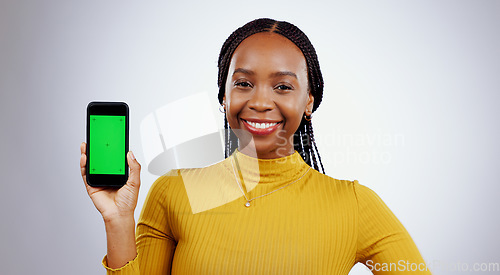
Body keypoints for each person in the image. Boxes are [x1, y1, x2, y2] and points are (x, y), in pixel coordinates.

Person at [80, 18, 431, 274]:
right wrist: (118, 220)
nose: (261, 102)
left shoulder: (353, 205)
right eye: (244, 83)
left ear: (309, 100)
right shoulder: (173, 192)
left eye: (282, 87)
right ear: (224, 96)